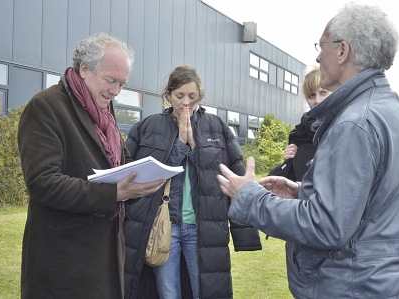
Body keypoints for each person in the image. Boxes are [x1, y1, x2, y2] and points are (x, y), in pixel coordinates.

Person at [217, 3, 399, 298]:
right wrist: (304, 192)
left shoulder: (355, 122)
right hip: (387, 284)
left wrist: (251, 197)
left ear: (343, 51)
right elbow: (371, 203)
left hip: (351, 287)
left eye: (322, 45)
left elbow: (326, 227)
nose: (317, 55)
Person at [18, 32, 165, 299]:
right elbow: (43, 182)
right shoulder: (46, 106)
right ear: (84, 69)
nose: (116, 91)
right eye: (111, 80)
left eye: (122, 84)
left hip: (106, 253)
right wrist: (114, 193)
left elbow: (116, 161)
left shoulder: (102, 110)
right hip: (64, 259)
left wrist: (142, 175)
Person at [123, 65, 262, 299]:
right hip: (164, 227)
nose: (186, 102)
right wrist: (179, 144)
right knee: (168, 293)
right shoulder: (147, 127)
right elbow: (135, 174)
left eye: (192, 96)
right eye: (179, 96)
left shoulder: (217, 127)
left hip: (203, 228)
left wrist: (195, 149)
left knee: (204, 292)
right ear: (168, 95)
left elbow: (234, 175)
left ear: (200, 95)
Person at [268, 65, 331, 182]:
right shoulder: (300, 135)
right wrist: (289, 162)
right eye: (311, 95)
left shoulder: (347, 128)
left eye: (323, 92)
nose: (317, 100)